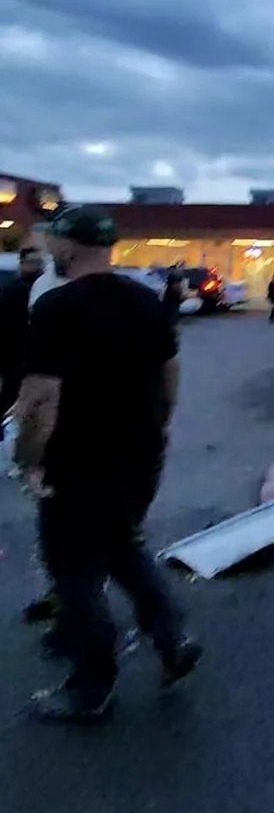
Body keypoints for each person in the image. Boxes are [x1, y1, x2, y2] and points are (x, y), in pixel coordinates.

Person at [15, 205, 200, 723]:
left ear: (67, 247)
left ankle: (91, 686)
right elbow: (170, 375)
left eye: (53, 239)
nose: (49, 246)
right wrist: (157, 429)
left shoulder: (56, 307)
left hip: (78, 460)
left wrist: (27, 459)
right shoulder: (145, 301)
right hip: (138, 457)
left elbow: (41, 399)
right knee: (121, 545)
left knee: (73, 572)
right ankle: (173, 637)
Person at [0, 246, 45, 442]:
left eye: (38, 262)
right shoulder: (15, 289)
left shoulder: (43, 287)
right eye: (32, 262)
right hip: (14, 358)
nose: (36, 267)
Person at [162, 261, 185, 327]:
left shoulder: (172, 278)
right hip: (171, 309)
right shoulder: (174, 278)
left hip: (170, 306)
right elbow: (177, 290)